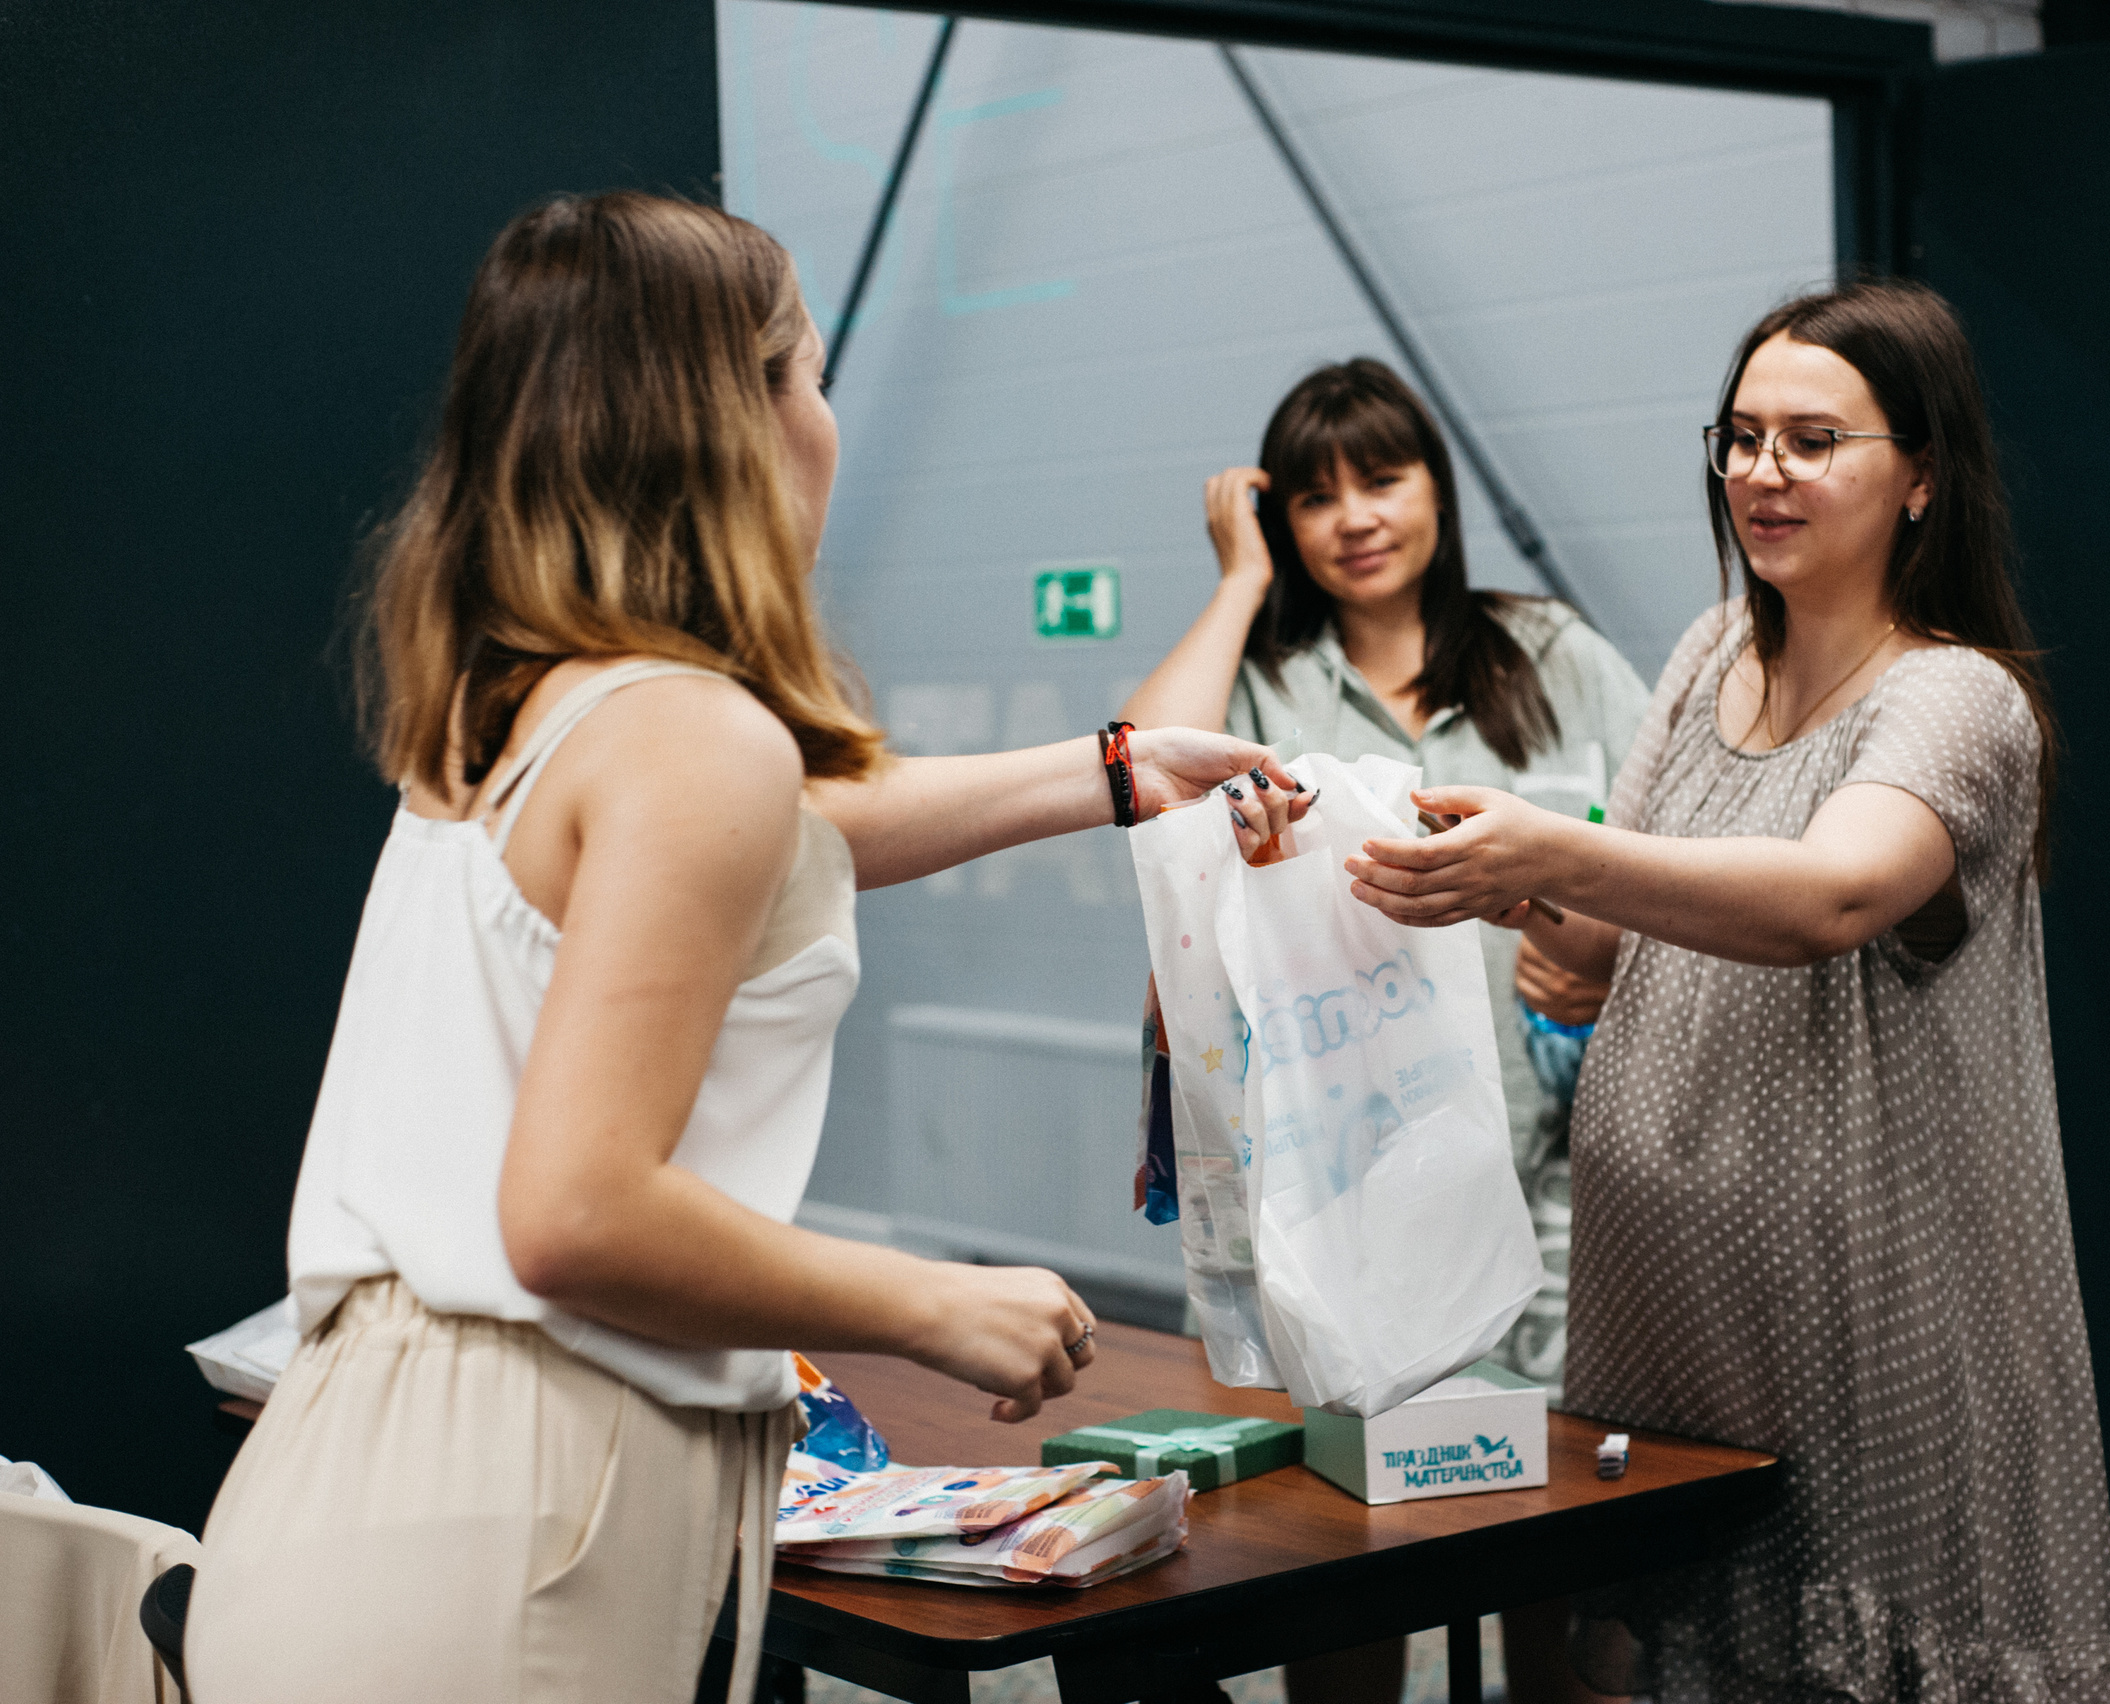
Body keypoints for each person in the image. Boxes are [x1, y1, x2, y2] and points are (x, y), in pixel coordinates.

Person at [183, 192, 1301, 1704]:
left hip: (343, 1495)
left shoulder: (518, 711)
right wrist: (938, 1303)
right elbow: (575, 1213)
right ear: (739, 419)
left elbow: (792, 826)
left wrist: (1112, 770)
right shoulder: (690, 735)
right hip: (504, 1518)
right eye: (813, 377)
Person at [1346, 281, 2110, 1704]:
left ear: (1922, 477)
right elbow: (1608, 932)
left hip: (1866, 1322)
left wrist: (1556, 856)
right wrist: (1466, 869)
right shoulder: (1714, 650)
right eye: (1743, 437)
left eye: (1813, 441)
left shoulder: (1955, 698)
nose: (1764, 472)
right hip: (1669, 1311)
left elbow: (1831, 895)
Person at [1118, 356, 1648, 1704]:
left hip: (1553, 1174)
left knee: (1552, 1550)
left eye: (1383, 479)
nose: (1354, 517)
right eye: (1313, 496)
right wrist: (1237, 580)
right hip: (1337, 1185)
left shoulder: (1550, 653)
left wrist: (1594, 932)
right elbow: (1136, 769)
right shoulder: (1269, 683)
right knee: (1342, 1562)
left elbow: (1664, 846)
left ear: (1437, 491)